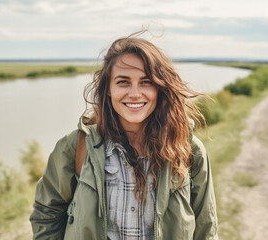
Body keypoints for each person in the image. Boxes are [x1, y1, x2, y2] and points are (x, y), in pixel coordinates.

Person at [30, 32, 218, 240]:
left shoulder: (187, 149)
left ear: (159, 88)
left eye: (146, 82)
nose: (135, 93)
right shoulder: (76, 146)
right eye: (123, 82)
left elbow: (206, 227)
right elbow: (46, 215)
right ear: (108, 89)